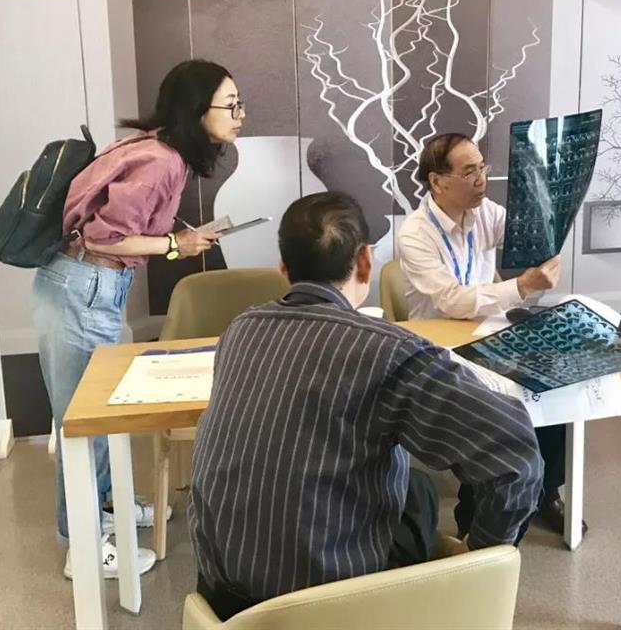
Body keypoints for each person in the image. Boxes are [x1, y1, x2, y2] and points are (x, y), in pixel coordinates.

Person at [189, 192, 542, 621]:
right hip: (328, 609)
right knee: (418, 492)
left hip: (221, 599)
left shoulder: (240, 330)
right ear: (364, 261)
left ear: (283, 269)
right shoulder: (390, 352)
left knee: (408, 485)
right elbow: (515, 455)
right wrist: (482, 554)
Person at [32, 59, 243, 579]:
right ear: (197, 110)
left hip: (86, 285)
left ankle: (105, 509)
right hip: (84, 286)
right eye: (231, 104)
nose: (240, 114)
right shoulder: (161, 160)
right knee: (83, 422)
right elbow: (103, 236)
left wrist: (176, 238)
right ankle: (84, 546)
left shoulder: (152, 147)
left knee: (96, 415)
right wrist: (175, 244)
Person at [396, 132, 567, 537]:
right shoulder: (415, 234)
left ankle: (546, 491)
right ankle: (474, 515)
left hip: (489, 334)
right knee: (494, 412)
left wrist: (546, 228)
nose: (481, 180)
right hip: (440, 349)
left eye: (482, 168)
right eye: (469, 171)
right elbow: (453, 300)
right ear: (437, 182)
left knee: (551, 385)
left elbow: (529, 235)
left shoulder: (485, 211)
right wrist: (522, 286)